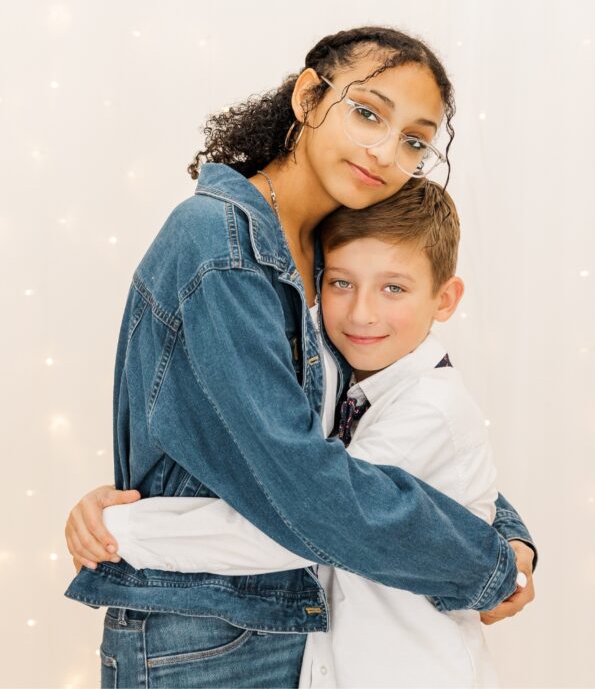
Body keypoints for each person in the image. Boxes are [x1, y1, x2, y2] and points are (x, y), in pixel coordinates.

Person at [61, 31, 537, 689]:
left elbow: (376, 431)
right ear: (309, 95)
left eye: (413, 140)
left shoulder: (329, 250)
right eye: (368, 112)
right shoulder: (221, 247)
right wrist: (483, 565)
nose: (385, 151)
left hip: (300, 628)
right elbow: (298, 482)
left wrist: (503, 530)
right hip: (206, 637)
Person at [105, 180, 504, 688]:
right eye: (341, 283)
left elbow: (305, 523)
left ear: (445, 298)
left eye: (393, 288)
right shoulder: (348, 381)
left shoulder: (430, 407)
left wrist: (124, 532)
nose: (362, 312)